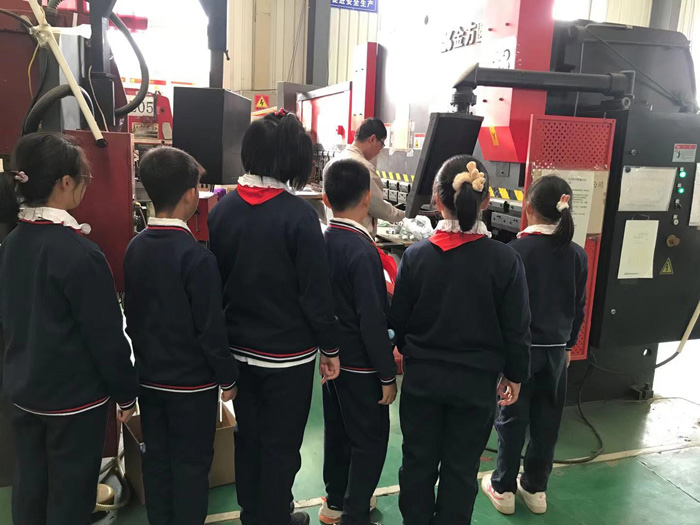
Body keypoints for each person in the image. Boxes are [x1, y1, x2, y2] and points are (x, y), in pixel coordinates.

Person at [208, 113, 341, 525]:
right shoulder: (299, 217)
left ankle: (253, 514)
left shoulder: (222, 210)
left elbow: (217, 284)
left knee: (248, 438)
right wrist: (330, 347)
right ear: (294, 161)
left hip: (238, 350)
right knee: (281, 445)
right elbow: (316, 294)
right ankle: (276, 516)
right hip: (288, 357)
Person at [0, 132, 139, 525]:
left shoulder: (11, 244)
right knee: (71, 495)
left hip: (23, 392)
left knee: (30, 486)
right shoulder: (80, 254)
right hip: (73, 404)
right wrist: (126, 394)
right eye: (83, 179)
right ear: (64, 182)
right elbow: (106, 338)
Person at [391, 156, 531, 524]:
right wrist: (515, 374)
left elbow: (398, 323)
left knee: (417, 462)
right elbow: (517, 327)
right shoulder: (505, 260)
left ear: (437, 200)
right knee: (461, 467)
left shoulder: (416, 257)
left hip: (422, 382)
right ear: (487, 201)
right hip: (476, 384)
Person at [123, 147, 240, 525]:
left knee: (157, 460)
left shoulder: (134, 249)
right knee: (191, 466)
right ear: (191, 195)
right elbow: (210, 330)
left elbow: (132, 315)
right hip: (192, 388)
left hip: (150, 382)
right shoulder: (198, 258)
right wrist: (228, 378)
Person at [482, 175, 588, 515]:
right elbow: (579, 306)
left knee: (512, 417)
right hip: (556, 352)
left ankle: (503, 488)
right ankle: (535, 488)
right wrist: (568, 345)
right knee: (548, 420)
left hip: (520, 352)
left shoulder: (513, 252)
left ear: (527, 207)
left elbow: (500, 310)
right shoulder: (577, 254)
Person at [319, 159, 398, 525]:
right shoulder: (362, 250)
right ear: (367, 199)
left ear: (325, 198)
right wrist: (386, 374)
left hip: (331, 359)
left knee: (337, 432)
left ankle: (335, 502)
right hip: (362, 365)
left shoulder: (323, 240)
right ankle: (354, 515)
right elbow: (372, 320)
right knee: (370, 441)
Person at [324, 118, 404, 236]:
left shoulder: (332, 163)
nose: (379, 151)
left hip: (334, 234)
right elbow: (377, 207)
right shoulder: (364, 168)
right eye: (381, 145)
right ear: (372, 139)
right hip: (357, 237)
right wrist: (403, 215)